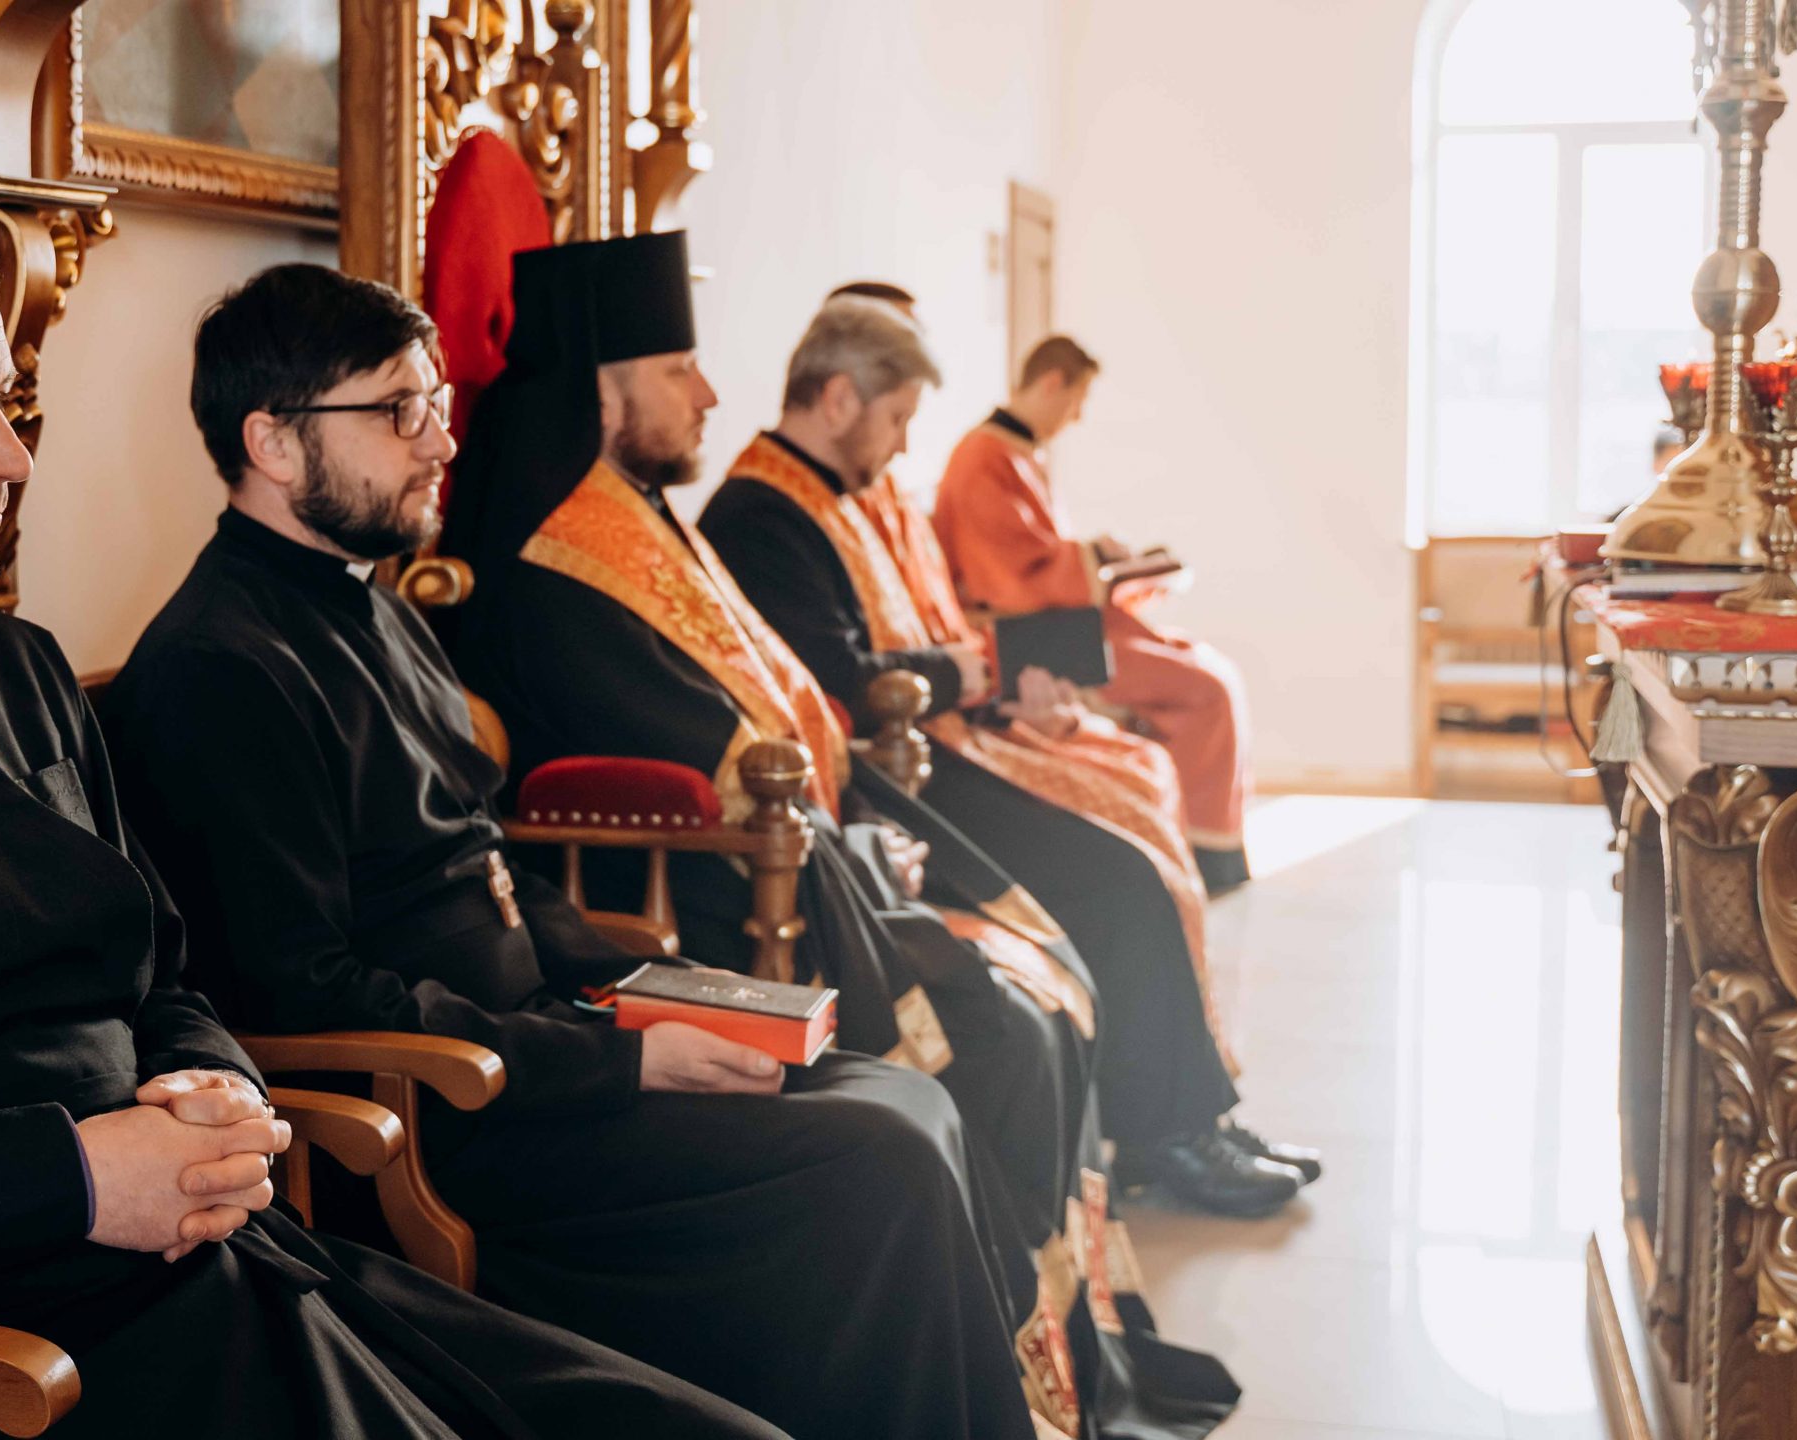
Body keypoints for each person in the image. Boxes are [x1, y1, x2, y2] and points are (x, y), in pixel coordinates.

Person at [0, 202, 787, 1440]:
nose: (11, 453)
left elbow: (161, 975)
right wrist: (74, 1177)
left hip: (217, 1262)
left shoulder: (18, 667)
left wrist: (212, 1077)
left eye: (0, 400)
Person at [102, 261, 1052, 1440]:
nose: (440, 441)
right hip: (442, 1117)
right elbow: (299, 998)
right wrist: (616, 1059)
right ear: (274, 444)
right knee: (879, 1152)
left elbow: (486, 871)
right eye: (397, 410)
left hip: (538, 1049)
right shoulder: (220, 669)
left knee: (904, 1098)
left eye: (435, 403)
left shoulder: (373, 603)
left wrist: (654, 992)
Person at [443, 231, 1240, 1439]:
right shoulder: (559, 553)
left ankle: (1067, 1363)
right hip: (704, 903)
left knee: (1046, 986)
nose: (711, 391)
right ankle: (1015, 1377)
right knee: (1005, 1033)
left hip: (809, 857)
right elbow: (713, 754)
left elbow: (784, 710)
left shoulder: (640, 520)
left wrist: (858, 842)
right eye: (679, 367)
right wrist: (849, 851)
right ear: (603, 390)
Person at [699, 296, 1319, 1216]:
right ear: (838, 399)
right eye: (897, 417)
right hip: (883, 789)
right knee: (1120, 879)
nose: (904, 445)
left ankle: (1194, 1119)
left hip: (927, 752)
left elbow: (900, 641)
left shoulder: (821, 494)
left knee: (1132, 856)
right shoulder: (762, 514)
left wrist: (975, 678)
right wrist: (967, 671)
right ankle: (1170, 1138)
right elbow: (843, 682)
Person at [932, 338, 1256, 890]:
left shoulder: (1015, 451)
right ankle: (1202, 855)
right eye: (1078, 400)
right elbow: (1010, 576)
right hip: (1027, 637)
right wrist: (1094, 557)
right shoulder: (983, 457)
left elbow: (1037, 556)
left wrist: (1111, 562)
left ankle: (1194, 844)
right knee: (1208, 689)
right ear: (1052, 383)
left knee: (1206, 665)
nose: (1077, 417)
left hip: (1063, 620)